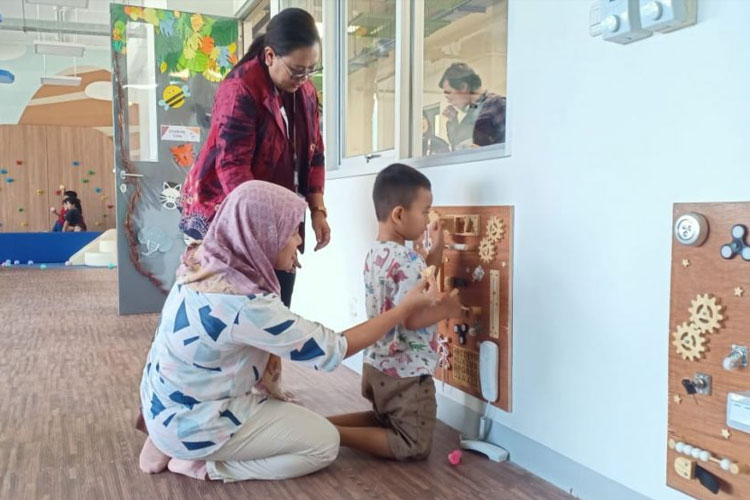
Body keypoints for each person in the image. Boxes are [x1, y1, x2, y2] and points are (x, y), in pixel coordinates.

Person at [138, 181, 439, 482]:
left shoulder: (204, 261)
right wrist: (402, 310)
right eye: (291, 231)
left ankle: (168, 441)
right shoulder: (244, 304)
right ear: (262, 235)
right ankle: (203, 464)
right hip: (192, 419)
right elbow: (331, 349)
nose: (298, 241)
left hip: (164, 403)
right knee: (323, 444)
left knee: (302, 425)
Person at [179, 7, 329, 309]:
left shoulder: (306, 92)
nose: (304, 78)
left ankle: (270, 357)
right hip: (232, 215)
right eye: (297, 70)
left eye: (311, 69)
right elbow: (233, 170)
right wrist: (269, 236)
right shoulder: (240, 89)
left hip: (277, 213)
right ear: (270, 55)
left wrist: (317, 211)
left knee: (277, 307)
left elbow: (315, 152)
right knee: (239, 313)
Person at [328, 164, 463, 460]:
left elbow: (418, 283)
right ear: (400, 214)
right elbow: (413, 317)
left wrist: (437, 249)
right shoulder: (409, 260)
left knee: (384, 420)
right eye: (425, 211)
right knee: (413, 445)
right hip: (406, 373)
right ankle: (332, 435)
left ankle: (324, 426)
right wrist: (445, 310)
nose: (428, 218)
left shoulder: (378, 253)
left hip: (378, 366)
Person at [439, 62, 506, 150]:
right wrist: (453, 120)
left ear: (463, 87)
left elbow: (510, 147)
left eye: (449, 93)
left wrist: (483, 152)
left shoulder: (497, 106)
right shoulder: (471, 113)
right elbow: (457, 143)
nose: (448, 100)